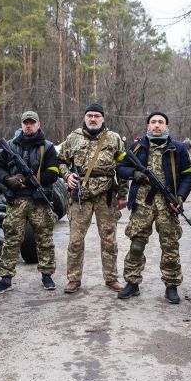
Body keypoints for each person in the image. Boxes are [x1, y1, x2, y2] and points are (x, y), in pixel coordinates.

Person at [116, 111, 191, 303]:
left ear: (166, 126)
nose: (157, 125)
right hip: (143, 204)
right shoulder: (138, 146)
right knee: (136, 245)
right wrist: (135, 174)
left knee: (170, 246)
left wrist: (180, 197)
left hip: (168, 205)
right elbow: (120, 168)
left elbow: (187, 176)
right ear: (147, 126)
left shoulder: (178, 148)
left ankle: (172, 286)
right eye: (153, 122)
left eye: (161, 122)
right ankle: (132, 283)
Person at [58, 103, 129, 294]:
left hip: (106, 196)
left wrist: (123, 195)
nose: (93, 119)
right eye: (89, 115)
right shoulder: (73, 138)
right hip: (80, 196)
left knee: (109, 240)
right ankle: (73, 279)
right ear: (85, 117)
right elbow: (60, 161)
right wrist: (67, 176)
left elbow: (123, 169)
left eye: (97, 116)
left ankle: (111, 278)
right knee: (75, 240)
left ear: (103, 118)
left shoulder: (114, 139)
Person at [0, 111, 60, 295]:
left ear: (38, 124)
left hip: (39, 200)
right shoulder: (11, 146)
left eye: (32, 122)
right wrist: (9, 180)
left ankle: (47, 275)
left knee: (45, 240)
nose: (28, 125)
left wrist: (27, 180)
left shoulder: (48, 147)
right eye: (25, 123)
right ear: (21, 125)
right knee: (11, 239)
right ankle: (6, 279)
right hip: (16, 200)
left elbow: (53, 173)